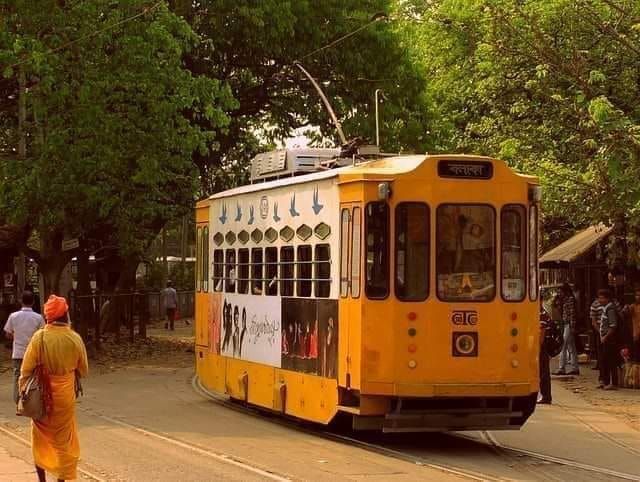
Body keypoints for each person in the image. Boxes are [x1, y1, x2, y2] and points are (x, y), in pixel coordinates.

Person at [20, 295, 88, 482]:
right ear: (65, 315)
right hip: (65, 399)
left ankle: (42, 480)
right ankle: (61, 479)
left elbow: (26, 370)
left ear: (48, 317)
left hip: (41, 398)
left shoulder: (39, 338)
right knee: (64, 442)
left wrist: (23, 394)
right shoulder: (74, 338)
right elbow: (84, 369)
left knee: (40, 440)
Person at [3, 291, 44, 404]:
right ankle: (32, 401)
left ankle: (18, 401)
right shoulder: (38, 318)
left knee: (17, 376)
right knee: (33, 377)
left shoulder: (13, 316)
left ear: (21, 301)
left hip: (18, 353)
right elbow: (42, 335)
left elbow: (7, 333)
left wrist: (16, 337)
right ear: (33, 302)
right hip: (33, 354)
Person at [554, 284, 579, 375]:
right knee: (571, 347)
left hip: (569, 324)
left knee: (563, 345)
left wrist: (572, 327)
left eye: (560, 291)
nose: (559, 293)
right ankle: (575, 367)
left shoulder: (570, 300)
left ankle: (562, 368)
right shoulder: (563, 300)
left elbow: (572, 314)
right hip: (566, 324)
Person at [597, 289, 619, 390]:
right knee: (604, 360)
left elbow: (613, 326)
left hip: (610, 339)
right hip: (604, 338)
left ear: (607, 298)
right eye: (599, 297)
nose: (600, 300)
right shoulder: (605, 308)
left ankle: (613, 383)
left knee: (611, 361)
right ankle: (605, 381)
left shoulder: (610, 309)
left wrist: (605, 336)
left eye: (602, 298)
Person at [538, 301, 552, 404]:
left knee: (543, 372)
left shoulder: (541, 315)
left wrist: (538, 347)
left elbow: (542, 333)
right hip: (543, 346)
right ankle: (545, 395)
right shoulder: (543, 313)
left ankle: (546, 396)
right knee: (543, 371)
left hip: (542, 347)